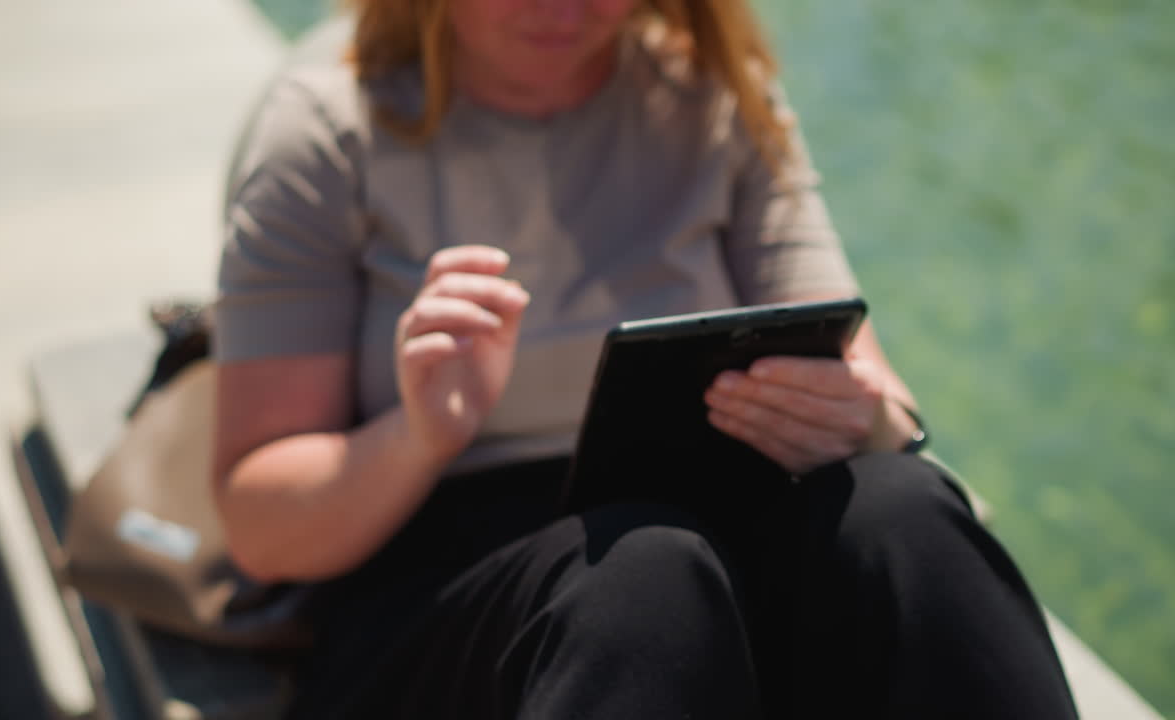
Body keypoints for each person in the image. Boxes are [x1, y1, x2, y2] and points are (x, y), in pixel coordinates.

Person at [211, 1, 1079, 718]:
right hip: (450, 599)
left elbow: (871, 385)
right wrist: (418, 433)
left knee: (905, 507)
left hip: (707, 551)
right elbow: (259, 526)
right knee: (641, 575)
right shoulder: (328, 133)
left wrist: (869, 416)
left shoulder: (717, 98)